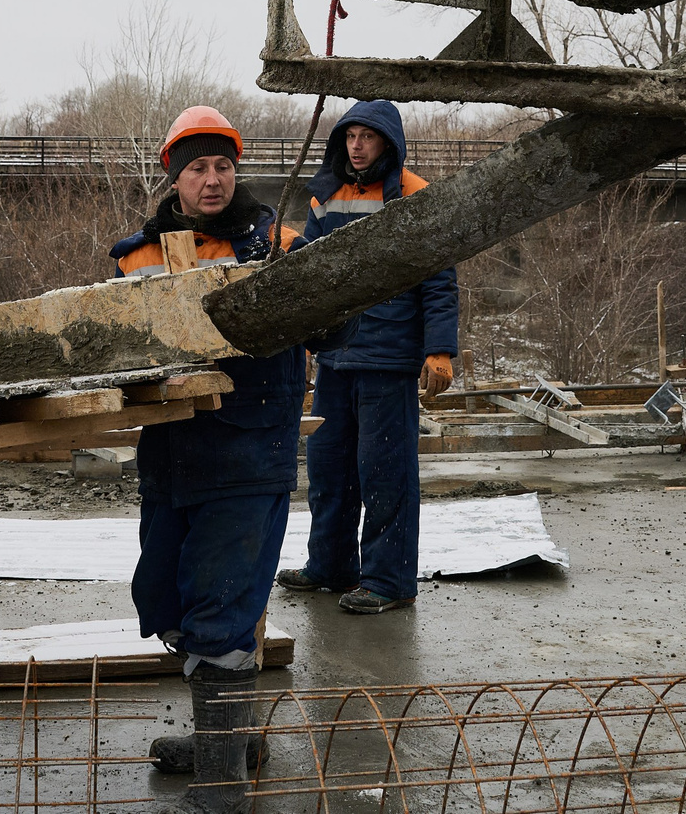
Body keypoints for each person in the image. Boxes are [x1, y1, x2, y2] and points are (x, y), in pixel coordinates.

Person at [110, 106, 299, 811]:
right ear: (175, 178)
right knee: (166, 598)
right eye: (198, 168)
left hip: (249, 451)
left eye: (223, 165)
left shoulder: (277, 242)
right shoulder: (139, 254)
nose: (212, 179)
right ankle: (232, 739)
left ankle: (222, 784)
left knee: (222, 607)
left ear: (235, 170)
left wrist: (305, 285)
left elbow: (339, 318)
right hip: (169, 458)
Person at [274, 100, 453, 615]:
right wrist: (288, 250)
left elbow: (438, 281)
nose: (356, 145)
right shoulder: (325, 196)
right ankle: (330, 567)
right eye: (349, 136)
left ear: (388, 143)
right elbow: (310, 272)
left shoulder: (415, 197)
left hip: (388, 360)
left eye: (367, 137)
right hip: (335, 358)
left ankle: (388, 580)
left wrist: (438, 351)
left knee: (385, 473)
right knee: (329, 469)